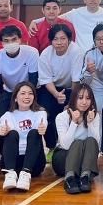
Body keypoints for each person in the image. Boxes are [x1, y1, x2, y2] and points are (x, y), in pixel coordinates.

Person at [37, 23, 83, 155]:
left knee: (69, 113)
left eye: (63, 38)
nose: (59, 42)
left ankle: (68, 147)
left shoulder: (76, 51)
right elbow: (46, 80)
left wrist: (70, 101)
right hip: (51, 88)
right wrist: (56, 94)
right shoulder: (46, 54)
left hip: (71, 88)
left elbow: (76, 80)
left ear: (69, 39)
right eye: (55, 39)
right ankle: (51, 147)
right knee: (46, 113)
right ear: (51, 41)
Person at [0, 25, 40, 138]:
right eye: (6, 41)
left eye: (14, 39)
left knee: (32, 118)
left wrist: (24, 95)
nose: (10, 43)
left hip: (28, 90)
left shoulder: (32, 52)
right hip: (8, 91)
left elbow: (33, 79)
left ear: (20, 39)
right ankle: (2, 147)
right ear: (2, 43)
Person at [53, 83, 101, 194]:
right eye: (80, 98)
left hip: (83, 161)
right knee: (78, 142)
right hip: (63, 158)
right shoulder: (62, 117)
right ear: (74, 98)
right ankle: (69, 178)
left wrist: (90, 123)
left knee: (90, 140)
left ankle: (85, 177)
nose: (84, 102)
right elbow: (65, 145)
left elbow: (95, 144)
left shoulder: (94, 116)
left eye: (88, 98)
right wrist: (74, 122)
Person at [0, 82, 48, 191]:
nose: (27, 96)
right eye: (23, 93)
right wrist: (3, 131)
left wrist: (42, 129)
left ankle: (25, 173)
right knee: (12, 133)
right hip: (14, 161)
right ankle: (10, 174)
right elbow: (3, 128)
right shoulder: (7, 116)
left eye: (30, 93)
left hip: (34, 163)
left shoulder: (40, 113)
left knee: (34, 133)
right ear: (15, 98)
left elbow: (42, 126)